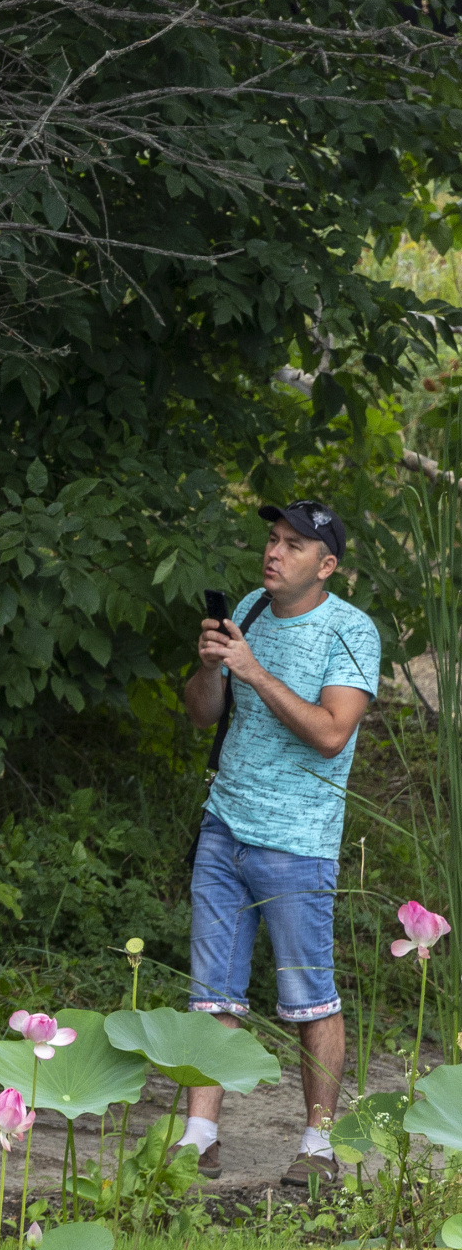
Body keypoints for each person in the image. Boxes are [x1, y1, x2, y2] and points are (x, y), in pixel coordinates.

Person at [178, 500, 380, 1187]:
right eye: (272, 539)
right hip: (224, 826)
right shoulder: (250, 607)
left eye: (294, 546)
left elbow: (330, 732)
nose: (275, 552)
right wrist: (213, 666)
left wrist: (255, 670)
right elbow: (203, 712)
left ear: (325, 566)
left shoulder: (350, 630)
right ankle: (198, 1136)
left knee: (310, 998)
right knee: (212, 995)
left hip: (298, 841)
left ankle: (318, 1147)